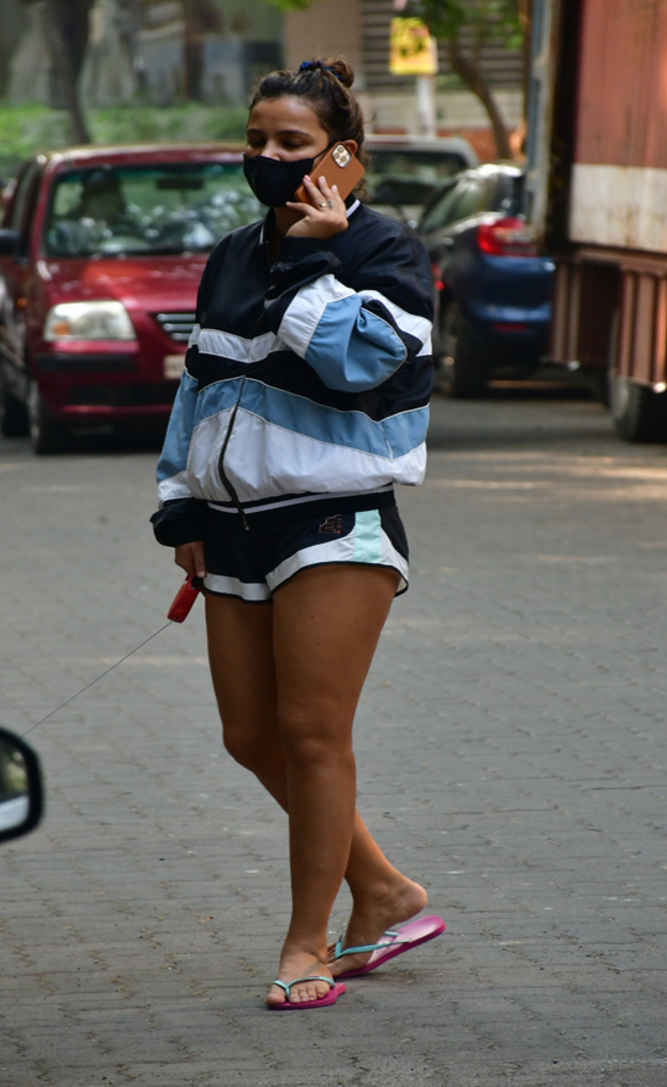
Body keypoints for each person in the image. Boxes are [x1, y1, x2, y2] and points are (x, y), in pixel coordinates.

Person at [152, 57, 444, 1011]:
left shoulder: (386, 250)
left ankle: (308, 942)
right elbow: (199, 385)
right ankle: (386, 890)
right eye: (256, 140)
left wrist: (315, 256)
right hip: (231, 528)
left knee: (313, 734)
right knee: (250, 735)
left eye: (292, 143)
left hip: (333, 522)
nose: (267, 157)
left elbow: (361, 365)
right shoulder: (232, 253)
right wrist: (181, 503)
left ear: (341, 156)